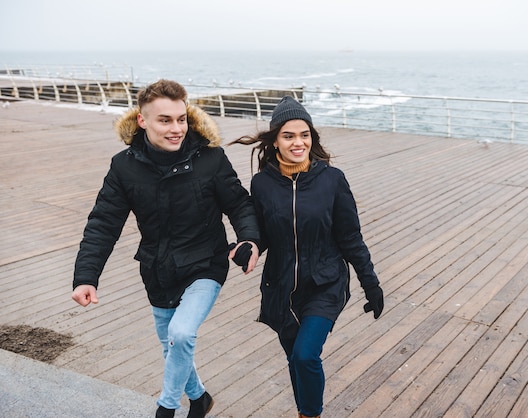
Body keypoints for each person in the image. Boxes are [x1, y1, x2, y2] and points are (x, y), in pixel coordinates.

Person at [71, 79, 260, 418]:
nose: (177, 129)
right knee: (171, 345)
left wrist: (249, 239)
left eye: (181, 119)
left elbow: (240, 204)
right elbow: (103, 223)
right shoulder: (124, 166)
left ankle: (167, 408)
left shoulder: (211, 158)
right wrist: (86, 277)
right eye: (165, 120)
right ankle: (199, 398)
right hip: (158, 270)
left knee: (181, 333)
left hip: (206, 264)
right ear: (142, 121)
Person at [231, 96, 384, 418]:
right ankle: (305, 412)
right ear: (275, 141)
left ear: (312, 138)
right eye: (288, 136)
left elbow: (351, 237)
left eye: (304, 135)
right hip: (281, 287)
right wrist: (249, 244)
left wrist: (371, 284)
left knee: (305, 356)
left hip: (325, 283)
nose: (298, 142)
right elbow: (261, 233)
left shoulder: (332, 180)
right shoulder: (262, 184)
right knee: (295, 359)